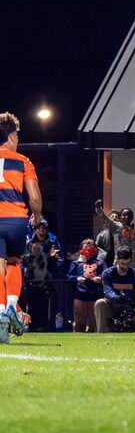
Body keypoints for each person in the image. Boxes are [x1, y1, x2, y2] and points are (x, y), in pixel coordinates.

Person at [0, 112, 42, 343]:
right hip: (16, 219)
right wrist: (36, 216)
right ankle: (12, 306)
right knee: (14, 262)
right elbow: (34, 198)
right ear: (11, 137)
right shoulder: (24, 161)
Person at [94, 246, 135, 333]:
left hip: (132, 307)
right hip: (114, 305)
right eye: (122, 263)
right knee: (100, 303)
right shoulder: (108, 273)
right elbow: (107, 291)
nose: (124, 266)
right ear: (117, 259)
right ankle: (102, 332)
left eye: (127, 263)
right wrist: (118, 298)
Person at [22, 219, 65, 331]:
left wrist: (50, 258)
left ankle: (48, 328)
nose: (42, 230)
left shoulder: (52, 243)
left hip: (48, 281)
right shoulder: (30, 244)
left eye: (44, 228)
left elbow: (58, 262)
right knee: (32, 306)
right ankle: (32, 327)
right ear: (35, 229)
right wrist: (32, 255)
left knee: (48, 308)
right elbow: (25, 262)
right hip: (32, 280)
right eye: (39, 228)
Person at [94, 201, 135, 266]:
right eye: (124, 215)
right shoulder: (116, 227)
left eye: (129, 215)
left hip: (134, 264)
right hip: (119, 264)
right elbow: (106, 220)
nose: (126, 217)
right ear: (120, 217)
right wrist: (98, 209)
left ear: (132, 217)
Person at [67, 239, 106, 332]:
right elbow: (68, 276)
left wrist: (100, 278)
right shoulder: (76, 263)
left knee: (94, 323)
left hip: (95, 295)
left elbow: (105, 274)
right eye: (85, 249)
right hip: (80, 295)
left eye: (90, 249)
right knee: (79, 323)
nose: (88, 251)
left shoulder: (100, 263)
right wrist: (77, 278)